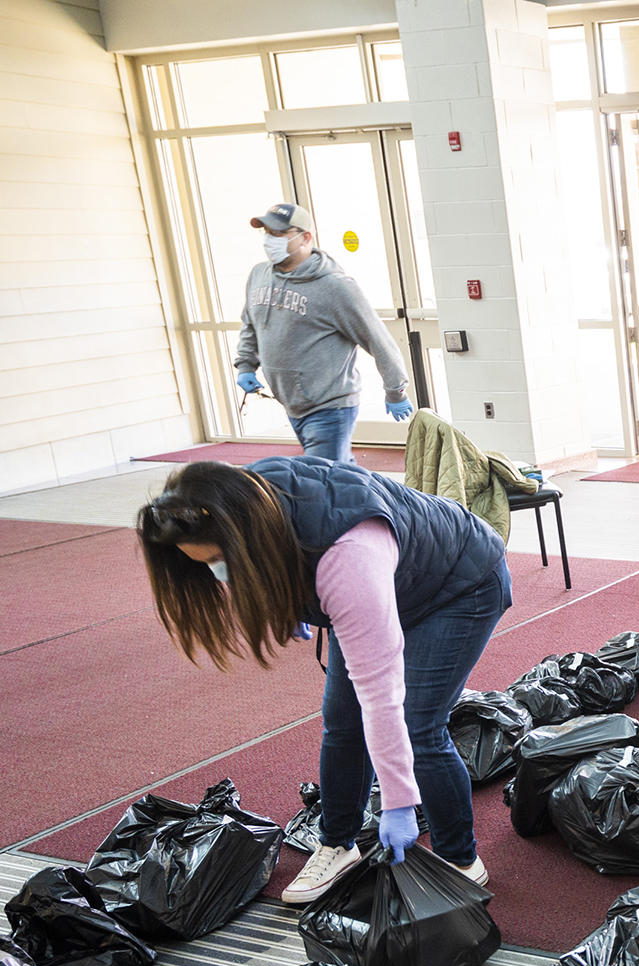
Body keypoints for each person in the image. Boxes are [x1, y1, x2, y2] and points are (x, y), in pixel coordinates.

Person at [135, 456, 510, 902]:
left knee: (417, 724)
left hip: (459, 585)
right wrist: (291, 600)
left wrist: (397, 802)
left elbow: (381, 693)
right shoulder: (237, 499)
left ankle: (459, 859)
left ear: (242, 538)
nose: (220, 574)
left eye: (220, 560)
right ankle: (337, 843)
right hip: (387, 582)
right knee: (341, 720)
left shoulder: (348, 560)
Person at [234, 202, 413, 463]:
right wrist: (246, 365)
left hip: (330, 406)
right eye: (267, 234)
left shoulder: (335, 287)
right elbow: (250, 323)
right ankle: (376, 502)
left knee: (324, 480)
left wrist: (395, 390)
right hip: (292, 403)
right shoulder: (259, 275)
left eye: (279, 234)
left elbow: (378, 339)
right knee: (340, 475)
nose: (270, 240)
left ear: (305, 237)